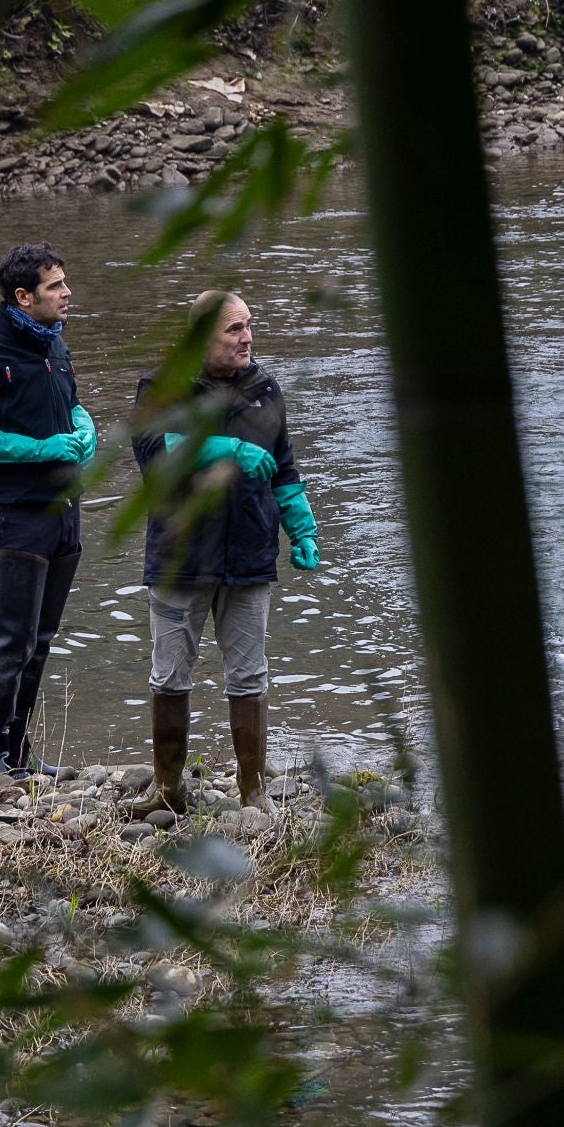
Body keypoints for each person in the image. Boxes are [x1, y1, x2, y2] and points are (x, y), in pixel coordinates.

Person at [130, 290, 320, 814]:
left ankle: (253, 790)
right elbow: (157, 453)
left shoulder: (264, 387)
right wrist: (229, 448)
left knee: (250, 676)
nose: (247, 338)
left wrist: (302, 529)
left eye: (249, 326)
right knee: (169, 674)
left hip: (249, 556)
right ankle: (168, 790)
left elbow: (283, 468)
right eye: (234, 329)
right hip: (181, 556)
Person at [0, 242, 98, 777]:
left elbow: (69, 402)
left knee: (42, 640)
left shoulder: (56, 346)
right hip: (14, 513)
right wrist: (36, 450)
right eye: (56, 286)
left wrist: (83, 426)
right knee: (12, 639)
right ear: (23, 297)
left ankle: (19, 753)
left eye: (64, 283)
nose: (67, 293)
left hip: (64, 508)